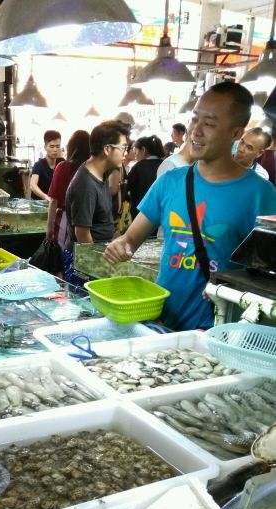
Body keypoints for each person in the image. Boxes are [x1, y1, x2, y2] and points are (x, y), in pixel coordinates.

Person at [105, 82, 276, 332]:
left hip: (218, 328)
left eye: (209, 123)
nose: (195, 131)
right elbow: (131, 238)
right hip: (162, 320)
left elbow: (266, 275)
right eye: (194, 119)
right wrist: (121, 245)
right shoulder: (170, 182)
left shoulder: (261, 194)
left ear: (236, 133)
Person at [63, 120, 129, 282]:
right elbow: (82, 234)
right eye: (123, 148)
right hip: (83, 261)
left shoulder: (102, 174)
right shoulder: (85, 184)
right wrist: (99, 266)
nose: (126, 153)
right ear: (107, 149)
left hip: (96, 254)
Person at [46, 129, 90, 249]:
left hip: (65, 220)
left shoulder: (62, 167)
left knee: (64, 257)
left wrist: (49, 229)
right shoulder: (91, 170)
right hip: (89, 221)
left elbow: (53, 201)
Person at [126, 135, 164, 220]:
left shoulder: (138, 167)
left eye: (135, 149)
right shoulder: (165, 164)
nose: (135, 153)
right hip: (161, 212)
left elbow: (127, 188)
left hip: (141, 214)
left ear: (143, 150)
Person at [30, 129, 64, 201]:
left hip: (55, 203)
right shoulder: (38, 165)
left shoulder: (62, 163)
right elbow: (33, 185)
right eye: (52, 146)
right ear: (45, 147)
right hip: (39, 203)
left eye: (58, 146)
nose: (55, 150)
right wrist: (46, 197)